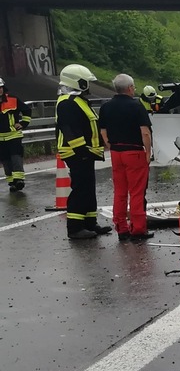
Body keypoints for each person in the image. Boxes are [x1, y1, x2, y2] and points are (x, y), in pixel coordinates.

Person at [56, 63, 112, 240]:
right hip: (77, 153)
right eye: (86, 82)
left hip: (86, 152)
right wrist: (81, 150)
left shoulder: (79, 100)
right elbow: (70, 129)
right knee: (80, 188)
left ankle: (89, 223)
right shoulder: (67, 102)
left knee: (88, 188)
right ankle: (75, 228)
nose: (88, 85)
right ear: (77, 82)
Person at [99, 74, 155, 242]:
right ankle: (138, 229)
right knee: (136, 192)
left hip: (116, 153)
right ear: (130, 88)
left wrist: (112, 146)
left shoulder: (105, 107)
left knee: (120, 192)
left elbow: (103, 132)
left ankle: (121, 228)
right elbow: (145, 132)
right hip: (134, 152)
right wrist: (148, 152)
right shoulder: (136, 106)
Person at [0, 77, 32, 192]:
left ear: (3, 88)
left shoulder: (13, 99)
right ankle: (12, 182)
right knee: (5, 160)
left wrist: (23, 123)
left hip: (14, 135)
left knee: (16, 157)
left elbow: (27, 110)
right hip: (0, 139)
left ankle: (19, 180)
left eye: (1, 88)